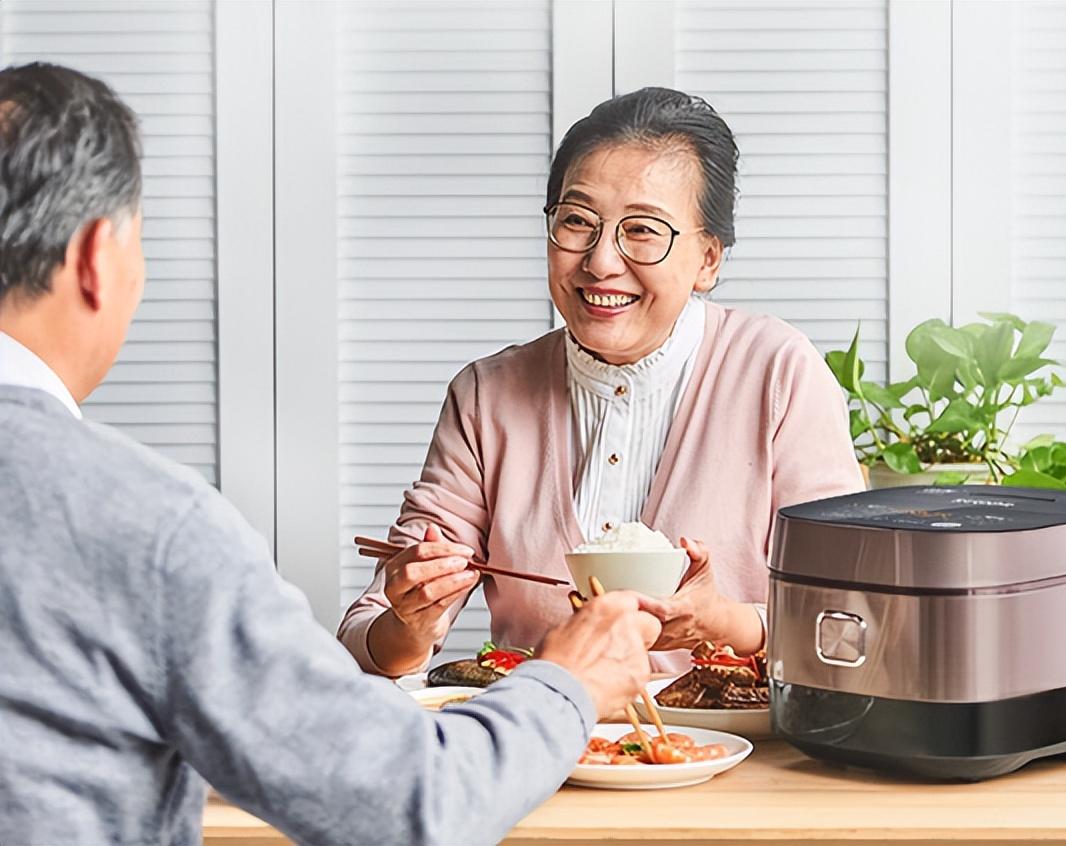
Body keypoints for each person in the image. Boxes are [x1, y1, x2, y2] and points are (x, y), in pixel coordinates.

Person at [0, 62, 662, 846]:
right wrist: (568, 685)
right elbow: (408, 802)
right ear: (96, 258)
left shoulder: (773, 367)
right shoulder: (148, 529)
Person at [340, 87, 865, 679]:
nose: (601, 262)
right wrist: (409, 622)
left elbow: (851, 623)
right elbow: (367, 632)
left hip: (733, 759)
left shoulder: (777, 371)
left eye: (642, 230)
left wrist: (727, 622)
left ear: (708, 260)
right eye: (577, 222)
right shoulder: (488, 394)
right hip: (537, 745)